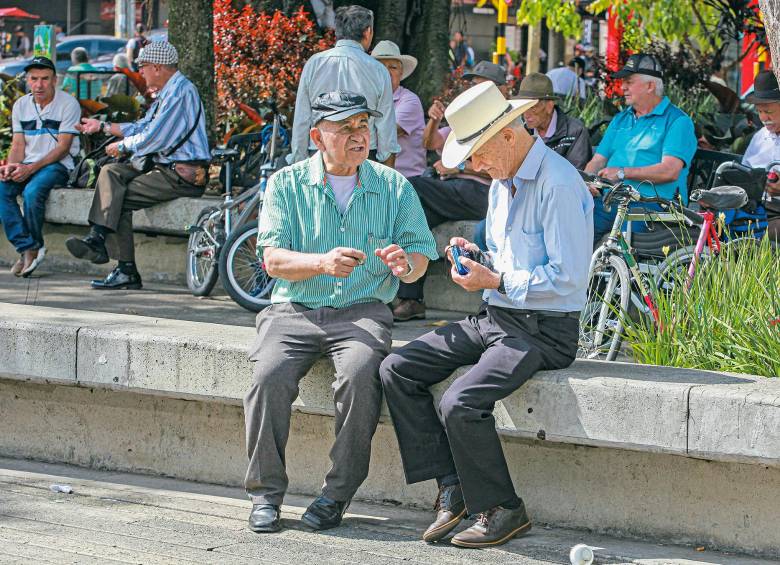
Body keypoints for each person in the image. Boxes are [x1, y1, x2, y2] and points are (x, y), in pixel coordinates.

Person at [379, 81, 593, 548]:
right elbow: (505, 256)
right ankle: (452, 486)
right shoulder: (502, 180)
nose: (474, 167)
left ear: (510, 137)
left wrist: (495, 281)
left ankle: (505, 508)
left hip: (545, 330)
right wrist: (476, 256)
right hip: (499, 317)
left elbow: (569, 280)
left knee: (461, 401)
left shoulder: (557, 183)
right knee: (397, 368)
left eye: (477, 154)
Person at [244, 90, 437, 534]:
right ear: (317, 136)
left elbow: (422, 255)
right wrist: (321, 263)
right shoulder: (286, 183)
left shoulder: (394, 185)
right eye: (345, 128)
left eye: (363, 127)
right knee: (266, 378)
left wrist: (405, 264)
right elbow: (272, 260)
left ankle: (336, 495)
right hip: (293, 308)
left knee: (360, 375)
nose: (358, 136)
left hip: (363, 311)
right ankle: (265, 494)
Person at [64, 41, 210, 290]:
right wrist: (103, 127)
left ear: (156, 67)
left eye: (142, 67)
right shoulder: (169, 92)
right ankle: (98, 239)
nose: (140, 72)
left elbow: (156, 138)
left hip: (181, 175)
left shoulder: (180, 93)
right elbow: (145, 126)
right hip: (165, 168)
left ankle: (125, 268)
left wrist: (122, 146)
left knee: (116, 198)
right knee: (110, 171)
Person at [391, 61, 506, 321]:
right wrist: (433, 120)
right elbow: (430, 143)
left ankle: (405, 296)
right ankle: (411, 298)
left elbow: (505, 168)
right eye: (472, 85)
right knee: (417, 217)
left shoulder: (504, 118)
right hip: (455, 190)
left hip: (485, 192)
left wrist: (458, 166)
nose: (473, 90)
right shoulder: (470, 116)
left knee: (414, 187)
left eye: (480, 86)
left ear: (500, 89)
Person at [584, 53, 697, 242]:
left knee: (615, 238)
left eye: (629, 81)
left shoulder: (677, 121)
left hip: (652, 207)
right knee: (569, 221)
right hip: (612, 203)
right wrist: (587, 183)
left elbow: (669, 171)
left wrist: (622, 173)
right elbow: (598, 160)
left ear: (650, 86)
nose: (623, 87)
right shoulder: (622, 118)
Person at [0, 57, 80, 277]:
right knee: (2, 189)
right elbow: (18, 144)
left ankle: (32, 249)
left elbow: (63, 148)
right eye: (34, 79)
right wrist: (11, 166)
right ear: (27, 80)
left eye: (45, 79)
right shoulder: (21, 105)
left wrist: (30, 169)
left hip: (57, 165)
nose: (39, 84)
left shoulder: (68, 104)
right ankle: (27, 247)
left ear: (54, 80)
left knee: (32, 192)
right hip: (28, 164)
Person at [289, 5, 398, 166]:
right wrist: (387, 169)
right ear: (368, 32)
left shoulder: (314, 64)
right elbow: (385, 127)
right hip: (363, 154)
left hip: (321, 152)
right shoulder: (378, 70)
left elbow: (302, 119)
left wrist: (299, 161)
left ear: (336, 32)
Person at [371, 40, 425, 179]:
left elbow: (387, 133)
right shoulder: (367, 99)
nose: (386, 72)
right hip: (374, 176)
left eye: (392, 67)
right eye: (380, 67)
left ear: (401, 73)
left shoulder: (410, 100)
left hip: (407, 180)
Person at [516, 73, 592, 169]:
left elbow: (575, 173)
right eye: (524, 107)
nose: (526, 114)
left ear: (549, 106)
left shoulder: (575, 131)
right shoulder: (521, 132)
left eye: (533, 107)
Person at [741, 70, 780, 242]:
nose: (764, 118)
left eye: (768, 111)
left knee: (765, 234)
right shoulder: (759, 138)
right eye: (759, 111)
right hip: (756, 209)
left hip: (776, 214)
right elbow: (743, 173)